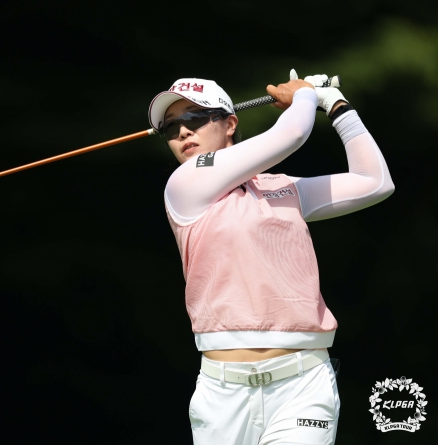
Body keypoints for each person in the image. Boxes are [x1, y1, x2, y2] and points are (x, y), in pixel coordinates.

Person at [147, 70, 394, 445]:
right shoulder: (183, 185)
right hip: (222, 397)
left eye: (194, 119)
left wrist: (337, 106)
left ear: (230, 123)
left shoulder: (282, 189)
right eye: (170, 128)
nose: (182, 132)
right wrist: (306, 95)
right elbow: (291, 134)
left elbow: (375, 182)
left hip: (303, 386)